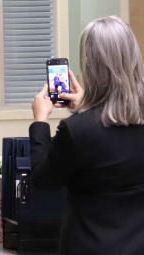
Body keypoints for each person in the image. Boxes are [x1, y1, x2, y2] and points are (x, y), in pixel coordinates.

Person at [30, 16, 144, 255]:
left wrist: (40, 122)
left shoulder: (77, 130)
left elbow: (44, 180)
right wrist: (88, 107)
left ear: (91, 65)